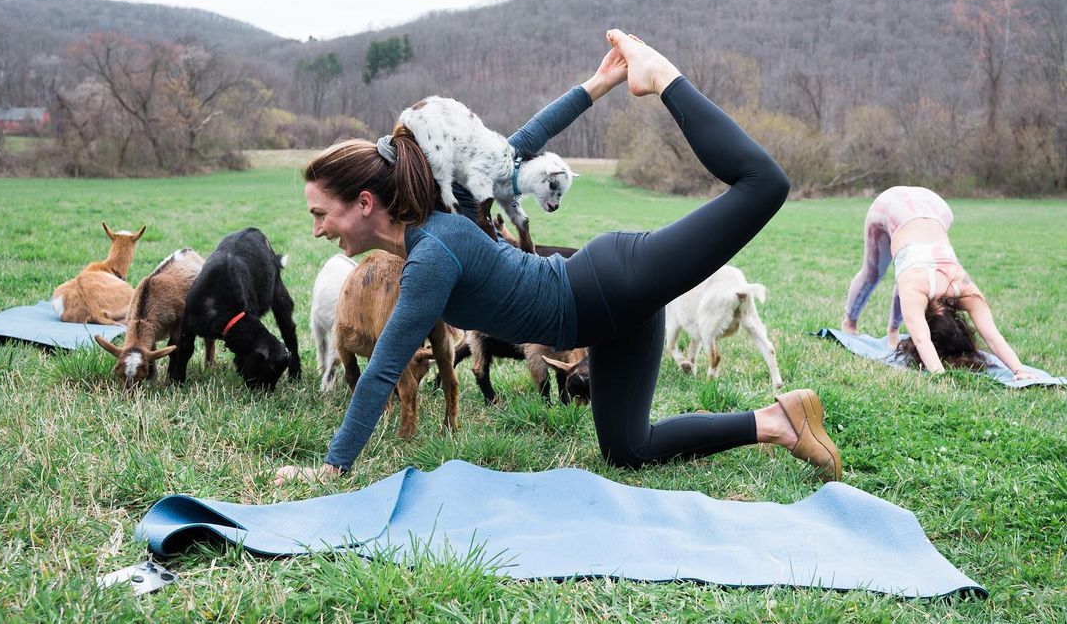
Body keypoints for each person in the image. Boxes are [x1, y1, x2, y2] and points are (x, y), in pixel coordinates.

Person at [276, 30, 841, 486]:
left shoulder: (432, 254)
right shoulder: (452, 209)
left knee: (763, 184)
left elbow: (379, 373)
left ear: (364, 203)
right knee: (628, 449)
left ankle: (664, 76)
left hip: (613, 284)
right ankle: (779, 423)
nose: (318, 229)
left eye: (320, 213)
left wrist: (330, 469)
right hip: (609, 316)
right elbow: (517, 144)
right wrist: (595, 84)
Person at [842, 186, 1035, 379]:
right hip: (891, 206)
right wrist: (939, 374)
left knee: (906, 279)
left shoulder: (966, 289)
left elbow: (993, 337)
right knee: (873, 273)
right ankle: (849, 325)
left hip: (937, 206)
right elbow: (921, 339)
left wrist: (1020, 370)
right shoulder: (917, 288)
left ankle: (891, 330)